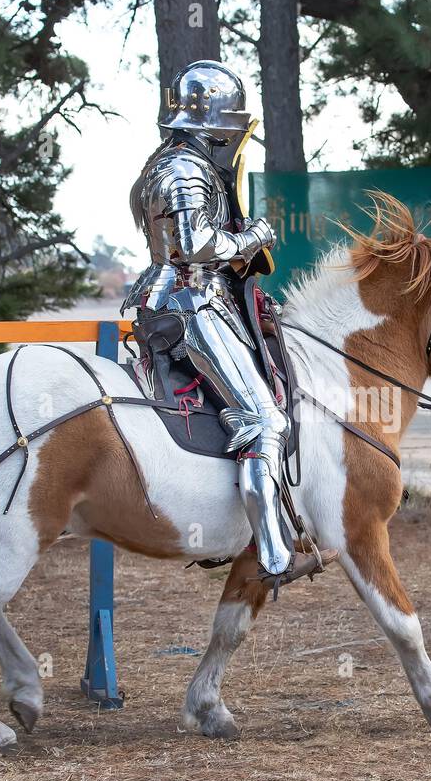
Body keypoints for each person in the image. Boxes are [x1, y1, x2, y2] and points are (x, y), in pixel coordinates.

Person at [125, 59, 335, 585]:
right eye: (230, 123)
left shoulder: (162, 164)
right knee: (263, 421)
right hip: (191, 302)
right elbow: (195, 247)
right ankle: (273, 554)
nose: (233, 135)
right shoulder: (185, 170)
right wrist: (255, 237)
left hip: (182, 296)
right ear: (216, 121)